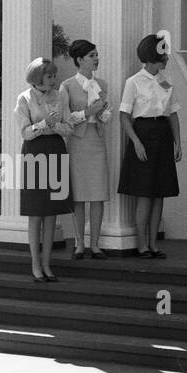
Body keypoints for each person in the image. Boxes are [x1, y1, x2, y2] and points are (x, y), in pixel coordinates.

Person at [118, 34, 182, 258]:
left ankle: (154, 243)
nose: (167, 59)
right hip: (143, 134)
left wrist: (178, 143)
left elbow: (173, 114)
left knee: (160, 192)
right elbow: (124, 116)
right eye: (163, 54)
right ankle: (142, 244)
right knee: (144, 193)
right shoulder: (134, 82)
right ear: (154, 56)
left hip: (163, 134)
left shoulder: (166, 81)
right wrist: (135, 142)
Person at [16, 57, 74, 281]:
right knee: (35, 212)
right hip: (34, 152)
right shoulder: (24, 98)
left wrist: (54, 125)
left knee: (51, 213)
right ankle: (35, 264)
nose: (53, 79)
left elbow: (68, 128)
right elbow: (26, 132)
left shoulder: (59, 96)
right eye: (49, 76)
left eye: (53, 75)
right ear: (38, 77)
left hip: (56, 150)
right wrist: (44, 124)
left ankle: (48, 265)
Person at [60, 40, 112, 259]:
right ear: (79, 59)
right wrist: (90, 110)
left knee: (98, 194)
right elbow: (65, 119)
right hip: (77, 142)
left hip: (97, 141)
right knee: (79, 196)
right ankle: (80, 243)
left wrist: (102, 112)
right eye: (92, 55)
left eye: (97, 54)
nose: (96, 58)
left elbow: (106, 116)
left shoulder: (102, 84)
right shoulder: (67, 85)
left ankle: (96, 244)